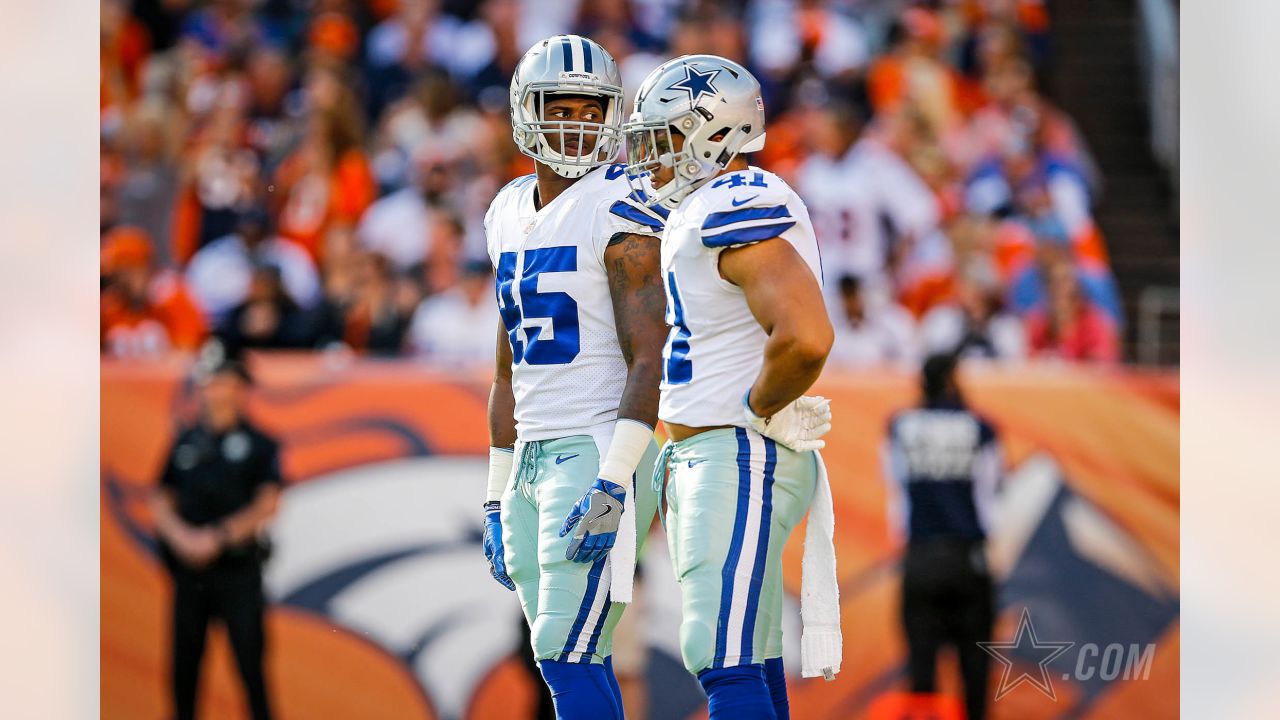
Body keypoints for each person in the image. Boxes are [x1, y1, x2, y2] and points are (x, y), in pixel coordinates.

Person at [623, 54, 842, 719]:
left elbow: (806, 336)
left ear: (714, 134)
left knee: (723, 656)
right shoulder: (705, 208)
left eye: (664, 137)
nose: (652, 157)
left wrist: (754, 409)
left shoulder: (737, 201)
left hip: (735, 456)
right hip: (716, 458)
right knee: (749, 653)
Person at [479, 35, 668, 720]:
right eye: (559, 107)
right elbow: (507, 367)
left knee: (569, 646)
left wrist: (616, 478)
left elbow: (651, 354)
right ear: (524, 112)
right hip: (532, 449)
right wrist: (496, 493)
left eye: (591, 111)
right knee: (559, 654)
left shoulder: (619, 203)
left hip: (593, 445)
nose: (576, 124)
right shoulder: (504, 212)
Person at [150, 359, 283, 720]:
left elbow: (268, 502)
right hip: (189, 575)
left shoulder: (259, 444)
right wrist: (182, 537)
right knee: (184, 671)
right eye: (212, 383)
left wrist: (219, 537)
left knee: (251, 670)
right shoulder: (186, 441)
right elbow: (161, 496)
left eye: (226, 383)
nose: (218, 392)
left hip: (237, 573)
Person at [882, 353, 1003, 720]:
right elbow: (991, 495)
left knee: (922, 675)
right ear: (953, 380)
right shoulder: (980, 427)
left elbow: (896, 491)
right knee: (975, 673)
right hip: (968, 559)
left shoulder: (900, 426)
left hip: (920, 558)